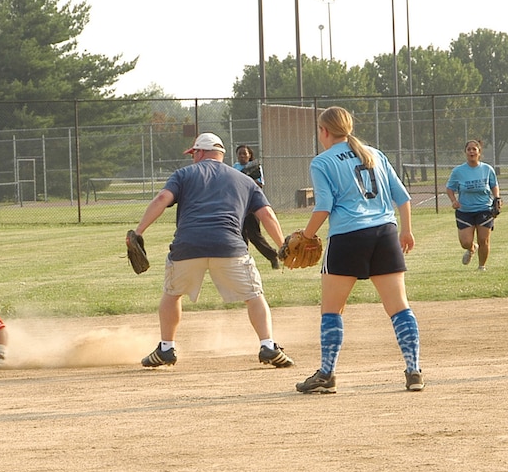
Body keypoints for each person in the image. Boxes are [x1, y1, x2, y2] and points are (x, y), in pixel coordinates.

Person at [127, 132, 294, 369]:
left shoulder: (183, 174)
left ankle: (166, 348)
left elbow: (163, 197)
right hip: (230, 246)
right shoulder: (244, 180)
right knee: (254, 296)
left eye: (193, 153)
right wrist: (281, 245)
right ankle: (268, 346)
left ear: (200, 152)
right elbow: (266, 214)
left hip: (188, 245)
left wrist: (139, 231)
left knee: (172, 294)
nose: (193, 158)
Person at [294, 106, 424, 394]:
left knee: (331, 309)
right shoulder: (374, 153)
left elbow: (324, 206)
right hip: (385, 234)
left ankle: (327, 374)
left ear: (324, 131)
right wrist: (406, 230)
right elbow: (402, 197)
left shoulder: (322, 162)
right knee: (399, 306)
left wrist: (306, 235)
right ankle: (414, 370)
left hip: (348, 237)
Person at [446, 140, 500, 271]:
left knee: (483, 240)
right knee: (465, 242)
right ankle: (471, 249)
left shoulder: (487, 169)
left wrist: (497, 198)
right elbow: (449, 188)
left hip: (484, 209)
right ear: (465, 152)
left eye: (474, 149)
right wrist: (454, 200)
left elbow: (494, 185)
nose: (471, 152)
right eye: (469, 149)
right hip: (465, 210)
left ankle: (482, 266)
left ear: (479, 152)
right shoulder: (458, 171)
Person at [233, 144, 280, 269]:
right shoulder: (234, 168)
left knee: (254, 236)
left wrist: (247, 178)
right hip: (239, 206)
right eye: (240, 154)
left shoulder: (255, 167)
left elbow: (260, 185)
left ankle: (273, 256)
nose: (242, 156)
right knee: (240, 236)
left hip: (252, 206)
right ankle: (242, 262)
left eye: (245, 153)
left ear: (250, 155)